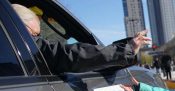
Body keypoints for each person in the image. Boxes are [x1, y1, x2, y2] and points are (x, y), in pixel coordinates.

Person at [12, 4, 151, 74]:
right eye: (35, 35)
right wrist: (126, 49)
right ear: (20, 27)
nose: (37, 38)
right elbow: (73, 54)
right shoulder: (30, 47)